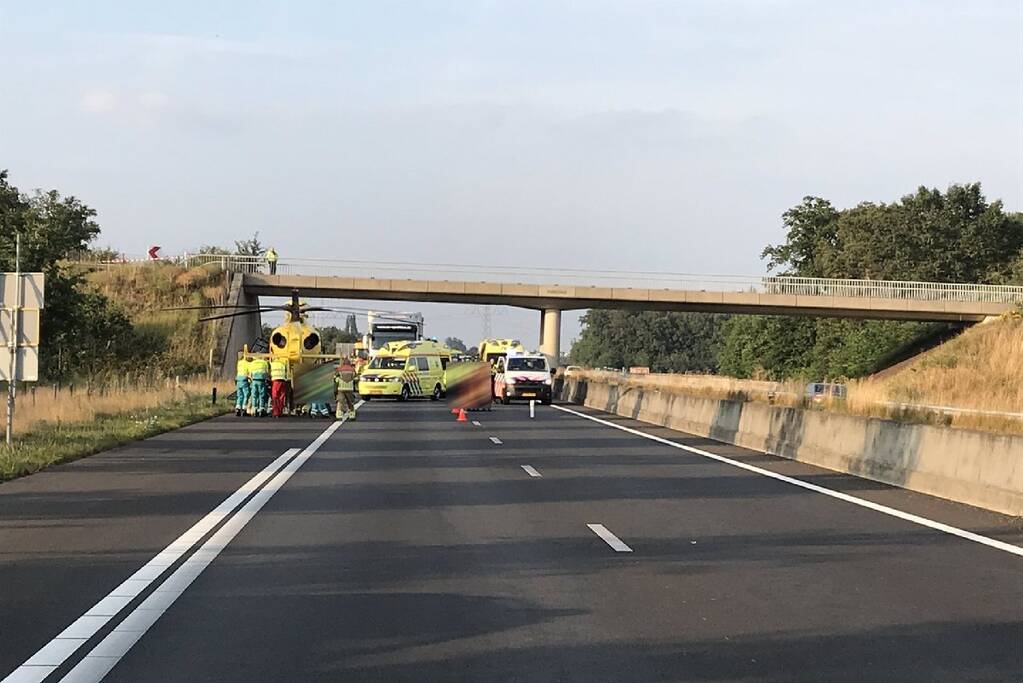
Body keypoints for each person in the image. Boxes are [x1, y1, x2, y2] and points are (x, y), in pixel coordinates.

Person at [235, 352, 252, 417]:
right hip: (244, 379)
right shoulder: (247, 363)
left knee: (240, 395)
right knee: (246, 394)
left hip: (238, 379)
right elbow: (250, 373)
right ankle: (244, 408)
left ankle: (238, 408)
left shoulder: (239, 363)